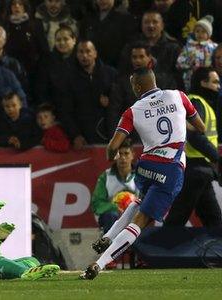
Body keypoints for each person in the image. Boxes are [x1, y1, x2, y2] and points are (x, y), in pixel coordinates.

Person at [80, 67, 206, 280]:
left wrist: (111, 155)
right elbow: (201, 128)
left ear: (138, 87)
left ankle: (109, 236)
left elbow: (113, 147)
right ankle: (99, 264)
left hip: (146, 166)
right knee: (140, 221)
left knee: (139, 202)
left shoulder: (133, 110)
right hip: (171, 168)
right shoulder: (179, 96)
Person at [165, 67, 222, 227]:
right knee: (177, 219)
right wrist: (216, 157)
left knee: (214, 220)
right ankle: (160, 249)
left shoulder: (202, 103)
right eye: (215, 82)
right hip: (194, 169)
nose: (219, 86)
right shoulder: (196, 102)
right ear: (203, 83)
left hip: (200, 171)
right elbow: (194, 135)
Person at [91, 139, 138, 234]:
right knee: (110, 215)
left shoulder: (141, 176)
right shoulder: (106, 176)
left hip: (135, 217)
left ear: (132, 155)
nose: (123, 158)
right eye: (119, 154)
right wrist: (117, 207)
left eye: (126, 153)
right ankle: (109, 245)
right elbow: (96, 205)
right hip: (111, 218)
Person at [175, 15, 218, 90]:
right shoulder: (189, 47)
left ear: (209, 34)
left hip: (208, 78)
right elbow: (179, 63)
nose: (200, 34)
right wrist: (189, 62)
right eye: (197, 31)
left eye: (203, 31)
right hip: (190, 79)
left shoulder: (213, 47)